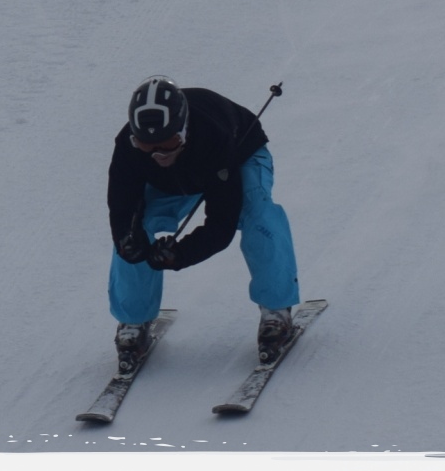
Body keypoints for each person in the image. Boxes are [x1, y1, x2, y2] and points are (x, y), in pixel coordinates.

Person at [106, 75, 301, 374]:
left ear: (183, 130)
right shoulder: (127, 146)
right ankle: (134, 320)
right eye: (146, 145)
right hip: (171, 181)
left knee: (259, 214)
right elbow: (121, 207)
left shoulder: (214, 136)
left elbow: (222, 224)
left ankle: (277, 310)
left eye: (169, 143)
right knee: (133, 230)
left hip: (236, 160)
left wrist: (180, 254)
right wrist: (127, 240)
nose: (158, 154)